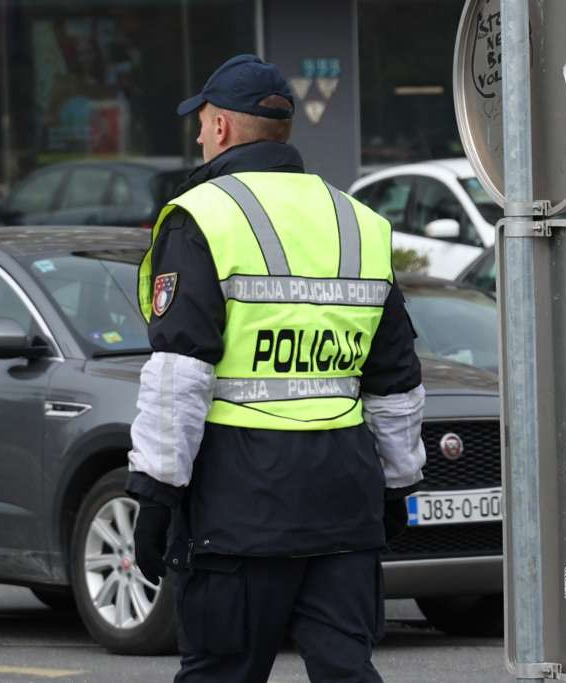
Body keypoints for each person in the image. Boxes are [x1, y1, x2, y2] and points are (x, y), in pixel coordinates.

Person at [127, 54, 425, 683]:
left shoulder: (204, 215)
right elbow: (395, 378)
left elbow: (180, 371)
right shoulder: (359, 222)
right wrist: (398, 482)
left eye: (202, 124)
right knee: (346, 671)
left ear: (222, 127)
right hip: (344, 498)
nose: (199, 137)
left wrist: (155, 494)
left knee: (222, 673)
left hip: (238, 506)